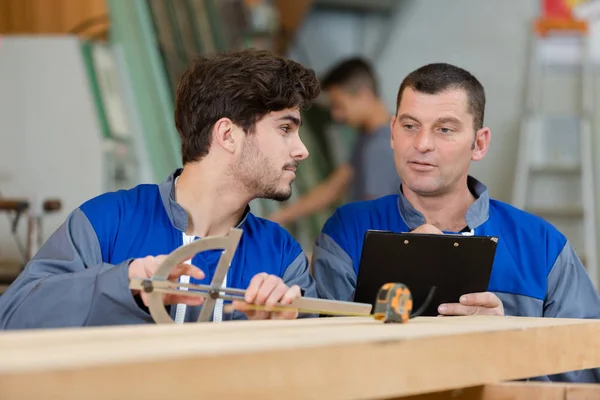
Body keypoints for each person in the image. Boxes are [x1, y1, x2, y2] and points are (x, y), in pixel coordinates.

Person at [312, 62, 600, 383]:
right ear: (392, 131)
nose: (422, 144)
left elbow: (586, 372)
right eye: (410, 126)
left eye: (444, 129)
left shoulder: (543, 245)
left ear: (479, 143)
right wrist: (398, 289)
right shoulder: (346, 231)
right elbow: (323, 364)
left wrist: (507, 345)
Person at [0, 49, 321, 329]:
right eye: (285, 129)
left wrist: (284, 331)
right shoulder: (106, 222)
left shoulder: (281, 255)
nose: (301, 150)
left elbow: (318, 368)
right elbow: (12, 319)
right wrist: (123, 287)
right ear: (227, 135)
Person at [267, 57, 400, 226]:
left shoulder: (381, 147)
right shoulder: (368, 137)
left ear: (364, 95)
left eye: (340, 105)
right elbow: (333, 188)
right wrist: (277, 218)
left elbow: (375, 221)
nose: (337, 115)